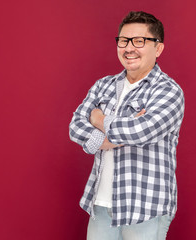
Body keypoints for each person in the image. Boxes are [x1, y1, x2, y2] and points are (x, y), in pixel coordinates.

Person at [69, 11, 184, 240]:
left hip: (145, 208)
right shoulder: (103, 85)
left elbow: (142, 131)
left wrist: (99, 119)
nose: (129, 48)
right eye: (124, 41)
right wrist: (115, 138)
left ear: (158, 48)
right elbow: (75, 126)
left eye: (139, 41)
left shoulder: (169, 91)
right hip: (100, 206)